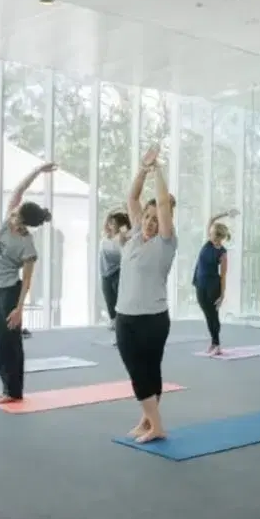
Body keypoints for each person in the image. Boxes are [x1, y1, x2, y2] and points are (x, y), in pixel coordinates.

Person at [0, 162, 55, 403]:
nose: (11, 216)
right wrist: (37, 171)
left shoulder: (26, 244)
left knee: (9, 342)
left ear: (24, 222)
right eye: (13, 213)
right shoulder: (5, 223)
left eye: (16, 216)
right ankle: (5, 387)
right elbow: (18, 191)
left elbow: (27, 279)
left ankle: (14, 391)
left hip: (9, 292)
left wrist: (19, 308)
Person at [115, 144, 177, 444]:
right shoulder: (135, 235)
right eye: (147, 216)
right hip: (125, 316)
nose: (151, 222)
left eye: (156, 217)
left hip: (153, 319)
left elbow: (163, 203)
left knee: (145, 372)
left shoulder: (166, 242)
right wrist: (142, 168)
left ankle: (157, 426)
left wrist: (158, 170)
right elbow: (132, 198)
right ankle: (147, 421)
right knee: (141, 371)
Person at [193, 208, 239, 355]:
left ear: (219, 237)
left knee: (213, 314)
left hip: (213, 286)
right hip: (200, 283)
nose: (210, 235)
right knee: (207, 313)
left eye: (213, 234)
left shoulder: (222, 253)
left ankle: (217, 344)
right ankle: (213, 343)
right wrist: (226, 213)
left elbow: (223, 275)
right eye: (211, 233)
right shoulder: (208, 243)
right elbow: (211, 219)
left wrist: (222, 295)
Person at [100, 210, 131, 330]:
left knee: (120, 302)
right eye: (110, 223)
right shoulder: (106, 234)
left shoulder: (121, 237)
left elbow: (127, 229)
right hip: (105, 273)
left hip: (117, 272)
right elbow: (106, 222)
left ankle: (124, 326)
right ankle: (115, 323)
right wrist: (112, 212)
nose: (110, 225)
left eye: (113, 223)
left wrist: (124, 217)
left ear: (119, 225)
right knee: (109, 301)